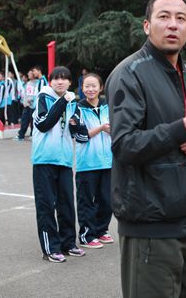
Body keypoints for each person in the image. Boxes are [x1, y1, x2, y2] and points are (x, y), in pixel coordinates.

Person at [105, 0, 186, 298]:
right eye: (164, 17)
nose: (173, 24)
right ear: (147, 26)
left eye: (181, 18)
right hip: (151, 227)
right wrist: (182, 128)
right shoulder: (129, 74)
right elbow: (124, 145)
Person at [32, 66, 87, 262]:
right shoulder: (43, 98)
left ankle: (68, 243)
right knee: (46, 205)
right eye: (56, 78)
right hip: (44, 159)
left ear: (70, 82)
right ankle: (50, 249)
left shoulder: (74, 103)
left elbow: (80, 134)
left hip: (64, 160)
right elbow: (43, 124)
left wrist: (76, 124)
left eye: (64, 79)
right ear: (50, 81)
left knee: (66, 205)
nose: (60, 82)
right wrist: (63, 101)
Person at [74, 73, 114, 249]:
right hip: (87, 163)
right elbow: (80, 136)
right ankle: (87, 235)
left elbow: (121, 127)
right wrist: (101, 128)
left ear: (101, 87)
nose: (90, 89)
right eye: (87, 86)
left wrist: (113, 130)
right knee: (86, 201)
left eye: (94, 86)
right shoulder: (77, 108)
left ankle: (101, 230)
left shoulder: (109, 106)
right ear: (82, 89)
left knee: (107, 200)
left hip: (108, 162)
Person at [15, 70, 38, 141]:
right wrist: (24, 102)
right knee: (24, 120)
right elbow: (25, 94)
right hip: (26, 105)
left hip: (33, 105)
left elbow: (36, 94)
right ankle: (21, 135)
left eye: (30, 73)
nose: (28, 74)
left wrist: (32, 100)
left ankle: (32, 134)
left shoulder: (37, 83)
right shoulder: (28, 83)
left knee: (33, 120)